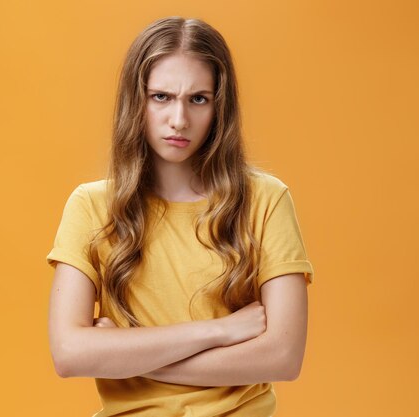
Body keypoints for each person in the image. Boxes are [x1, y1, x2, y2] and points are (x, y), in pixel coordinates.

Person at [46, 16, 314, 417]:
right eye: (161, 97)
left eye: (198, 99)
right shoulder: (91, 206)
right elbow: (69, 354)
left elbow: (284, 356)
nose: (179, 120)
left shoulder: (265, 200)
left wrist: (124, 354)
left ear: (220, 106)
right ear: (136, 101)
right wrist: (218, 331)